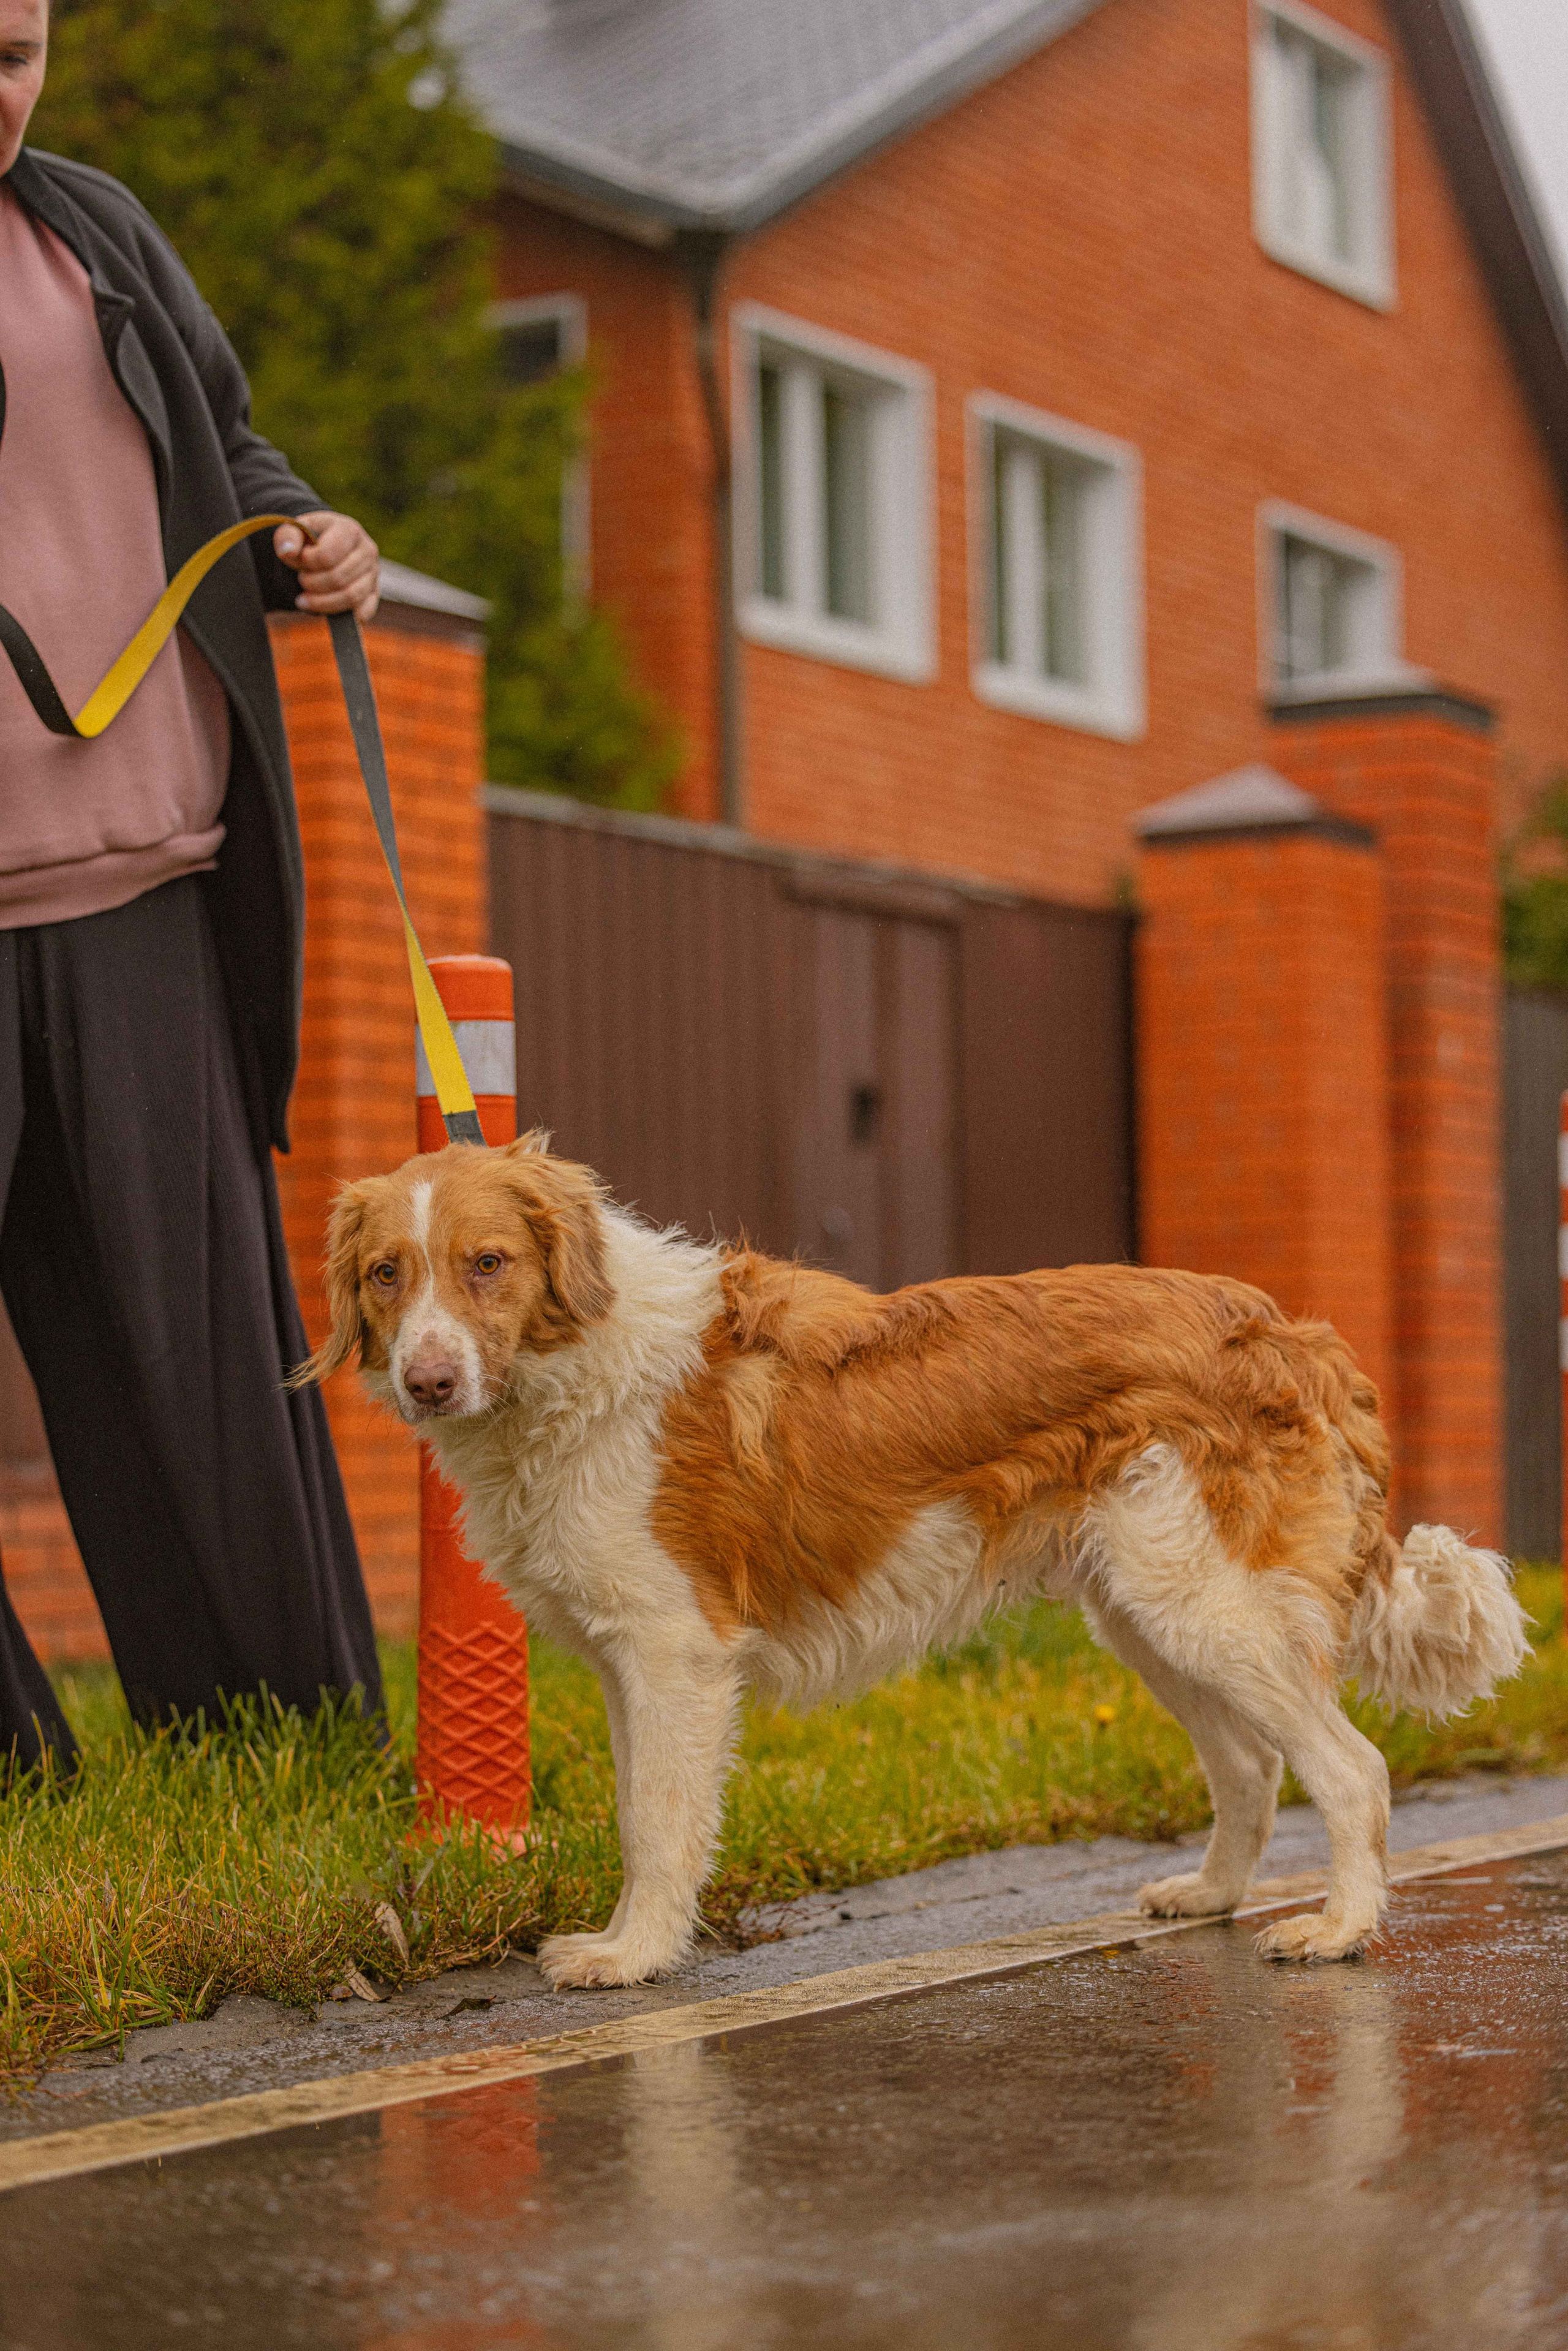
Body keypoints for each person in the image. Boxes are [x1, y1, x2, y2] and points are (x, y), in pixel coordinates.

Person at [0, 0, 385, 1767]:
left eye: (14, 53)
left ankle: (280, 1749)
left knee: (211, 1375)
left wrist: (308, 533)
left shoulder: (96, 230)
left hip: (148, 891)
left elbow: (218, 446)